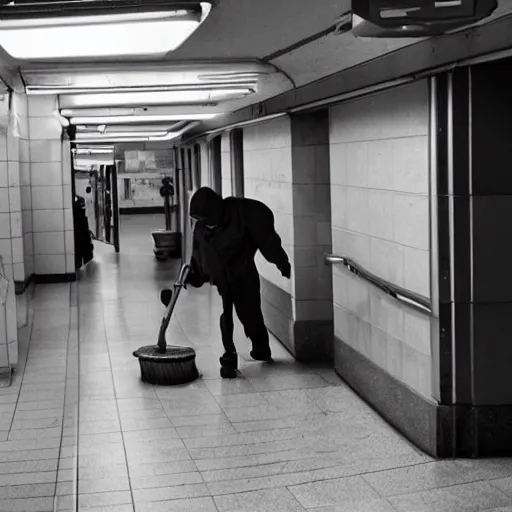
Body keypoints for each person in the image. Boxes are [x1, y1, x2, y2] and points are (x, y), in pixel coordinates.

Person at [161, 187, 291, 377]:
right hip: (222, 279)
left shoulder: (243, 214)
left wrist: (281, 262)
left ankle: (260, 346)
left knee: (249, 313)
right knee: (227, 316)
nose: (204, 224)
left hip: (244, 274)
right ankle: (229, 353)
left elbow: (267, 239)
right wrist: (194, 275)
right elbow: (199, 256)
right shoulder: (202, 227)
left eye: (206, 219)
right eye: (201, 220)